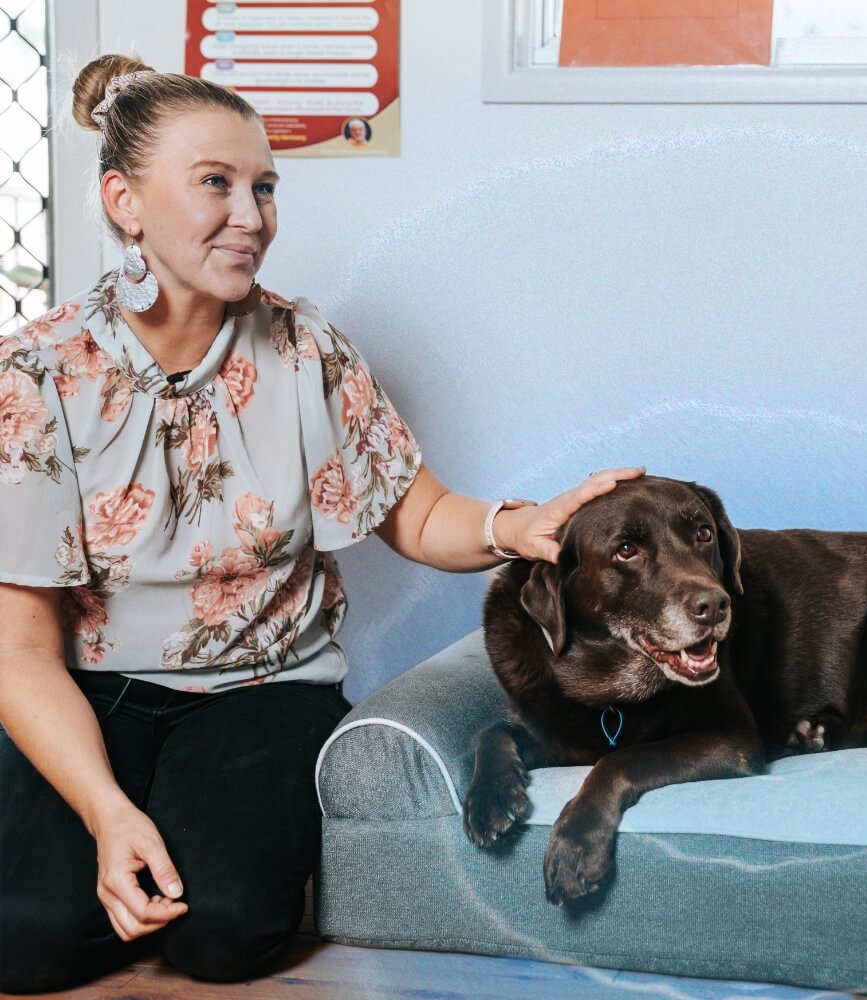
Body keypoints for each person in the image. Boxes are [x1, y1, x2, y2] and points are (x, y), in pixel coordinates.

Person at [0, 54, 641, 993]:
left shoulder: (308, 351)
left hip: (261, 690)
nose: (252, 216)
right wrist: (104, 813)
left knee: (222, 935)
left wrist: (522, 525)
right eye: (215, 184)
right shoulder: (34, 375)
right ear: (124, 202)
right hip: (85, 691)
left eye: (264, 187)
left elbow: (419, 516)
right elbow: (18, 649)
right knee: (26, 942)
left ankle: (177, 855)